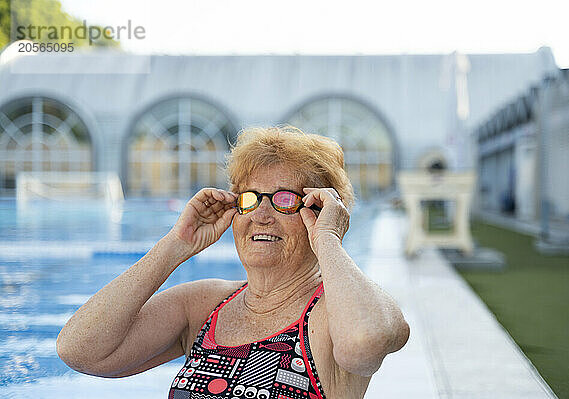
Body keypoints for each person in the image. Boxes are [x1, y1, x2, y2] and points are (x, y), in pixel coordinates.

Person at [56, 125, 410, 399]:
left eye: (285, 200)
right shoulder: (204, 306)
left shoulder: (332, 314)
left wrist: (329, 241)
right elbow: (80, 350)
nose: (262, 215)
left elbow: (367, 341)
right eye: (251, 198)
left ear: (319, 212)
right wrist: (175, 246)